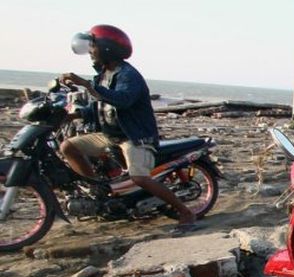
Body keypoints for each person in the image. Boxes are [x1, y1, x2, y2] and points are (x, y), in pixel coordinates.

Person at [58, 25, 197, 232]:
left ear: (107, 48)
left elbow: (122, 100)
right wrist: (73, 115)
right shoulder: (104, 74)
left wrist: (88, 86)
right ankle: (99, 189)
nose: (90, 52)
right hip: (110, 135)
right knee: (68, 146)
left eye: (93, 47)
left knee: (139, 176)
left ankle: (186, 212)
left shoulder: (128, 75)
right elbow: (100, 107)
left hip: (135, 137)